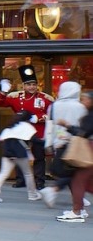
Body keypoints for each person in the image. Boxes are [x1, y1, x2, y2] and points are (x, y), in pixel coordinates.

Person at [0, 68, 52, 189]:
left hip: (38, 130)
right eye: (29, 85)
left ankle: (39, 181)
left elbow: (52, 113)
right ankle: (20, 180)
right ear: (23, 86)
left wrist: (39, 118)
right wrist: (4, 91)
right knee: (20, 156)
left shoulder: (44, 98)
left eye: (34, 84)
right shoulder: (16, 97)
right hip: (21, 131)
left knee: (39, 157)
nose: (32, 87)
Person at [42, 80, 86, 208]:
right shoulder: (80, 107)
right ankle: (54, 190)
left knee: (70, 171)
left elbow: (50, 125)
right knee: (75, 172)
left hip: (59, 141)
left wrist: (48, 142)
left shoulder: (54, 106)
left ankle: (77, 198)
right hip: (76, 142)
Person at [56, 88, 93, 223]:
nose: (83, 101)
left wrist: (67, 126)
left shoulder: (90, 116)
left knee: (78, 181)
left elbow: (83, 133)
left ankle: (77, 211)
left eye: (85, 99)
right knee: (87, 181)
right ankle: (79, 209)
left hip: (89, 150)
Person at [0, 114, 39, 203]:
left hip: (7, 152)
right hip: (20, 152)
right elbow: (35, 140)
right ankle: (32, 194)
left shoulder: (9, 127)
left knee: (3, 173)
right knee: (28, 174)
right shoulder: (27, 126)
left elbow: (2, 139)